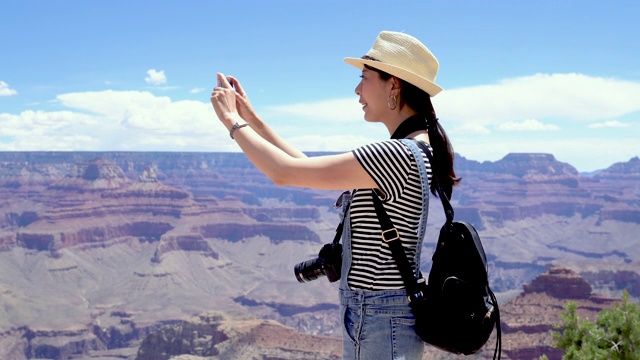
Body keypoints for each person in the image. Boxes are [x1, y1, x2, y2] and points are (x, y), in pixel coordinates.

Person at [210, 31, 459, 360]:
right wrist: (251, 118)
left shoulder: (396, 154)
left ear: (394, 85)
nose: (357, 90)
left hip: (380, 322)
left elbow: (283, 172)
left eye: (364, 77)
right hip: (380, 319)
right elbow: (303, 166)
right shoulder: (416, 147)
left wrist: (230, 120)